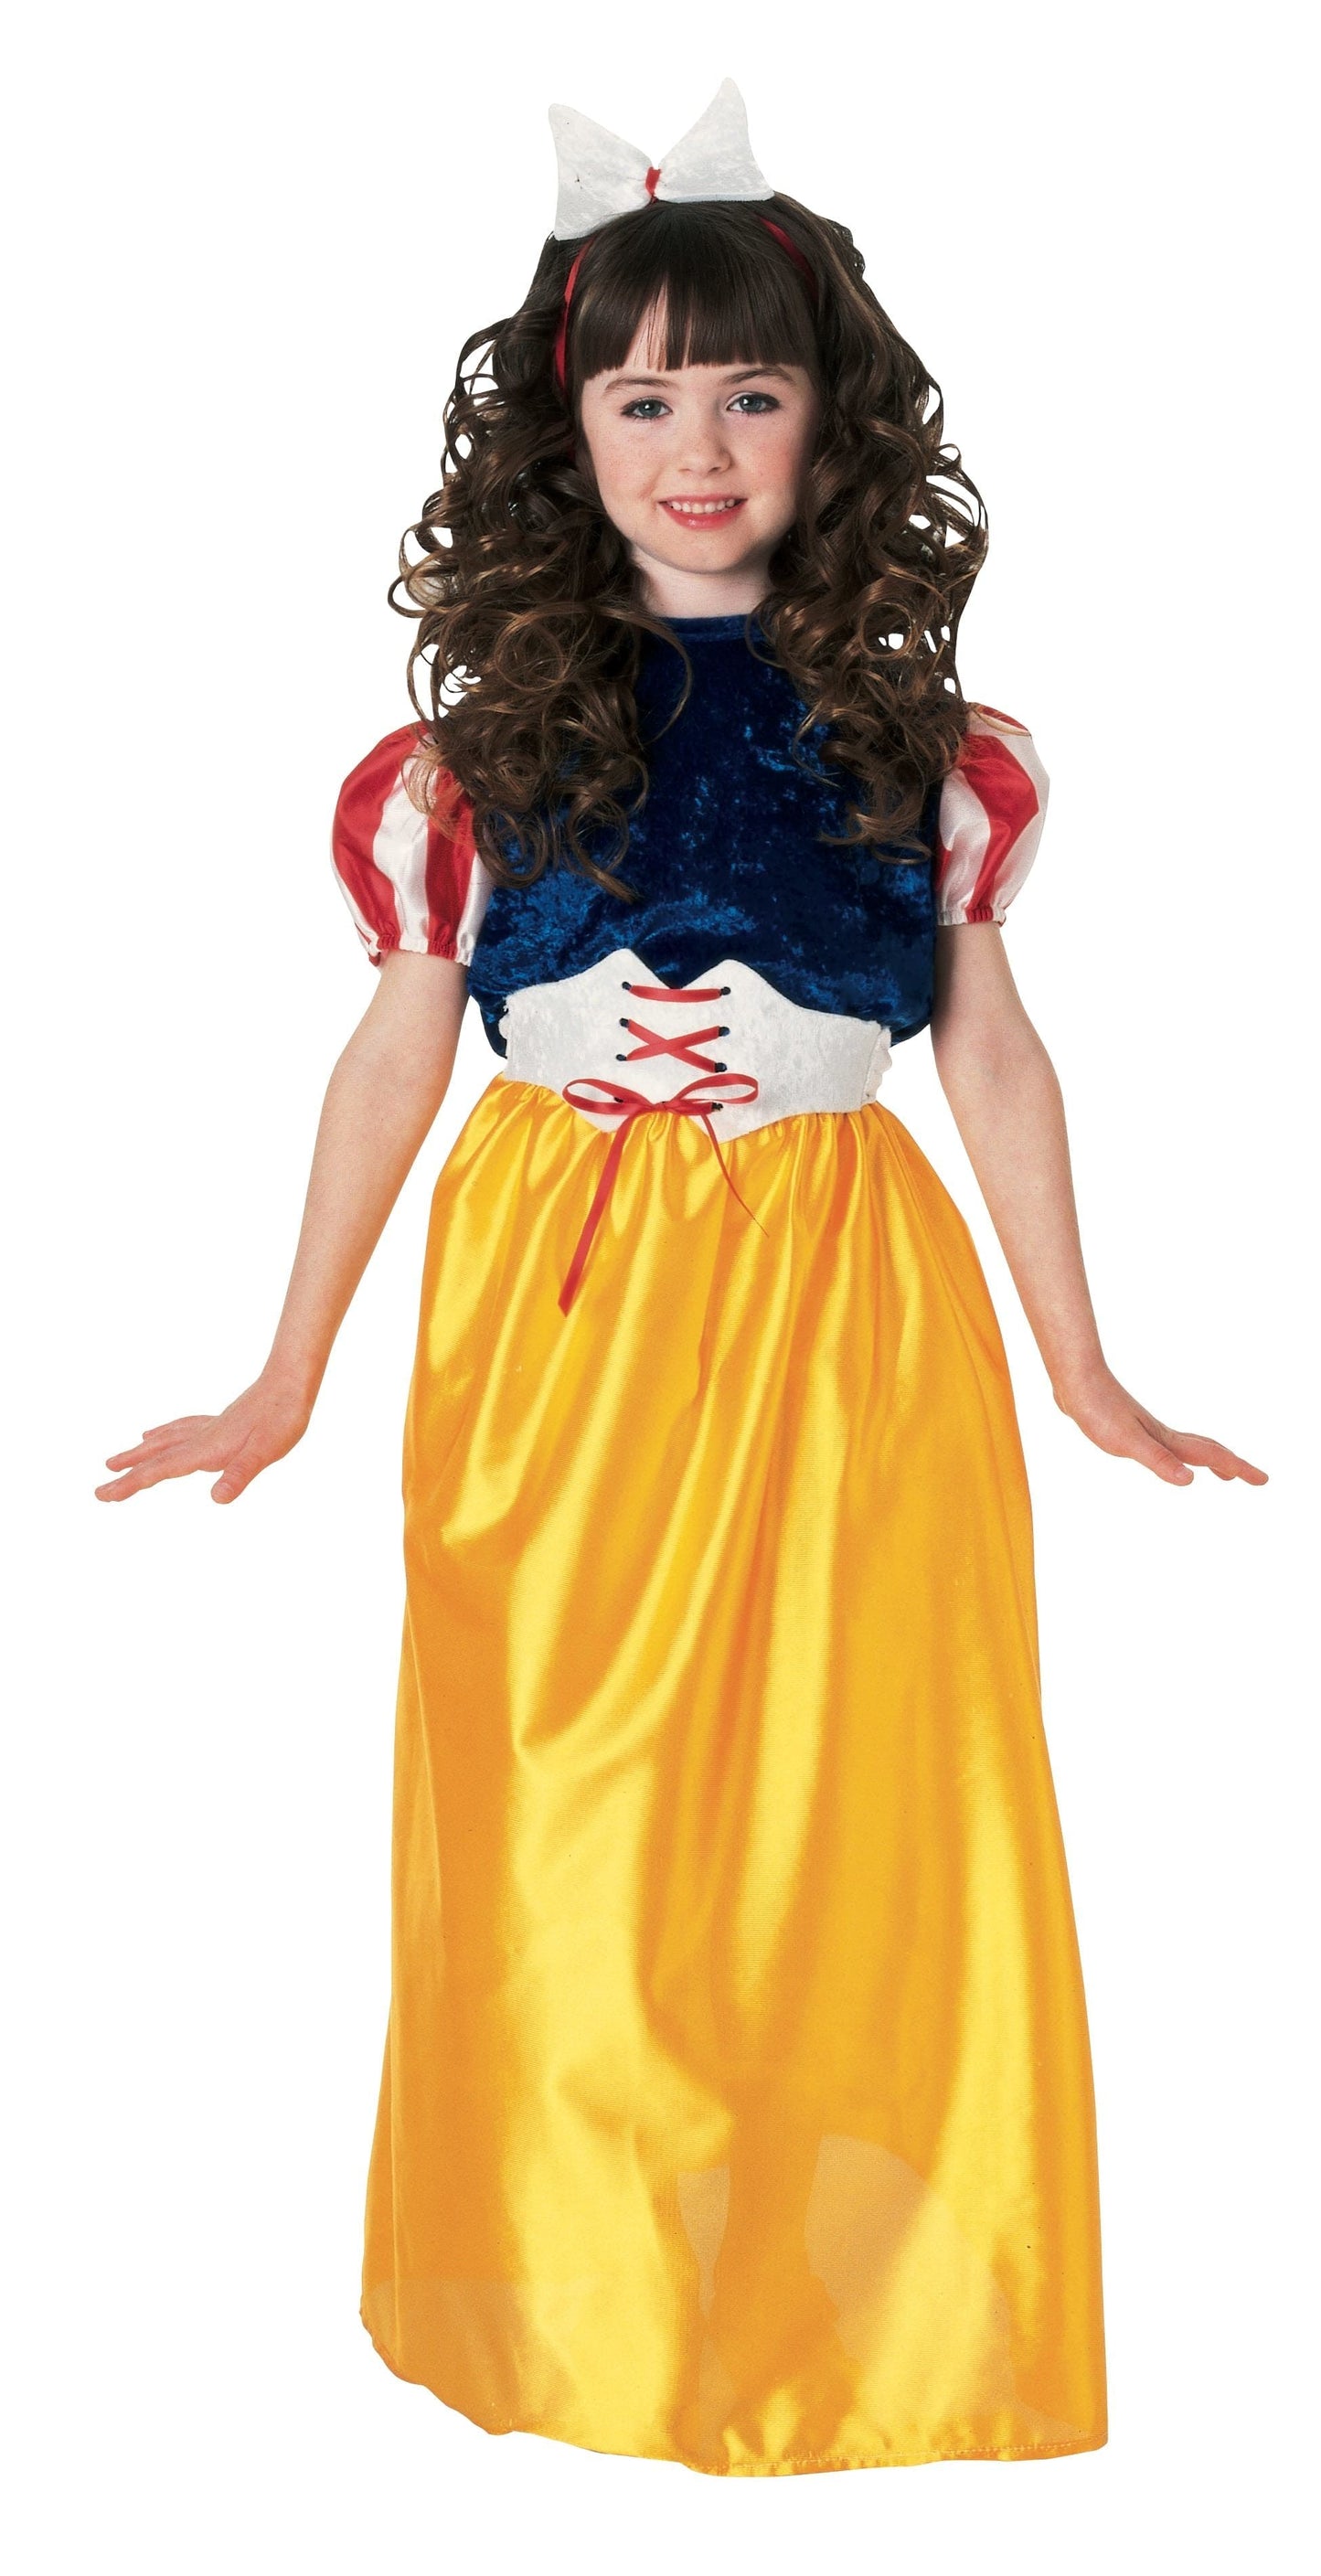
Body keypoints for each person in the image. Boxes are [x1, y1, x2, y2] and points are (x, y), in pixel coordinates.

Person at [97, 82, 1266, 2475]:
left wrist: (1086, 1367)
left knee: (852, 1808)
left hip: (842, 1296)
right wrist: (283, 1374)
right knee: (564, 1814)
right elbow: (395, 1051)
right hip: (556, 1309)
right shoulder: (465, 760)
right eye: (642, 400)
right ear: (569, 432)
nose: (699, 448)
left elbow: (993, 1054)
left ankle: (844, 2326)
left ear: (834, 419)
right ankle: (583, 2315)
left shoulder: (934, 747)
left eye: (748, 391)